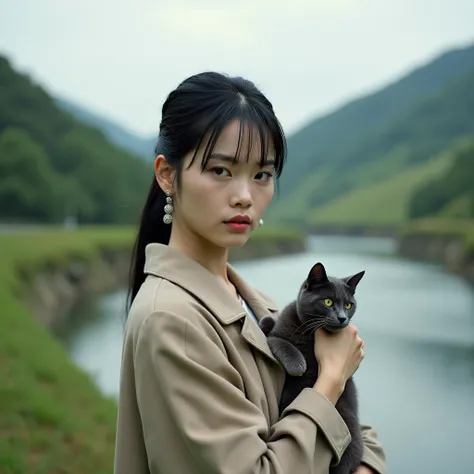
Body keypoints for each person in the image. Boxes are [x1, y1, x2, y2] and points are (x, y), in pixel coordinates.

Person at [113, 71, 386, 474]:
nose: (245, 196)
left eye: (262, 175)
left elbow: (359, 436)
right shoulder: (172, 320)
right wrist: (330, 378)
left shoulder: (259, 305)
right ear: (168, 175)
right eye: (221, 170)